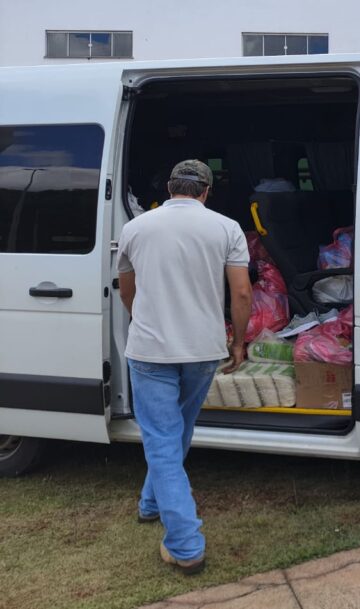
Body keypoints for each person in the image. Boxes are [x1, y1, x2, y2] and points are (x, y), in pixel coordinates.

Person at [117, 160, 253, 575]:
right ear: (206, 191)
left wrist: (146, 321)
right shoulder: (226, 228)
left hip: (150, 351)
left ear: (170, 188)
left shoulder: (135, 228)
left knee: (162, 438)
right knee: (178, 430)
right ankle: (157, 511)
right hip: (202, 349)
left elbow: (127, 290)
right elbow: (242, 294)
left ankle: (185, 543)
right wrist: (238, 342)